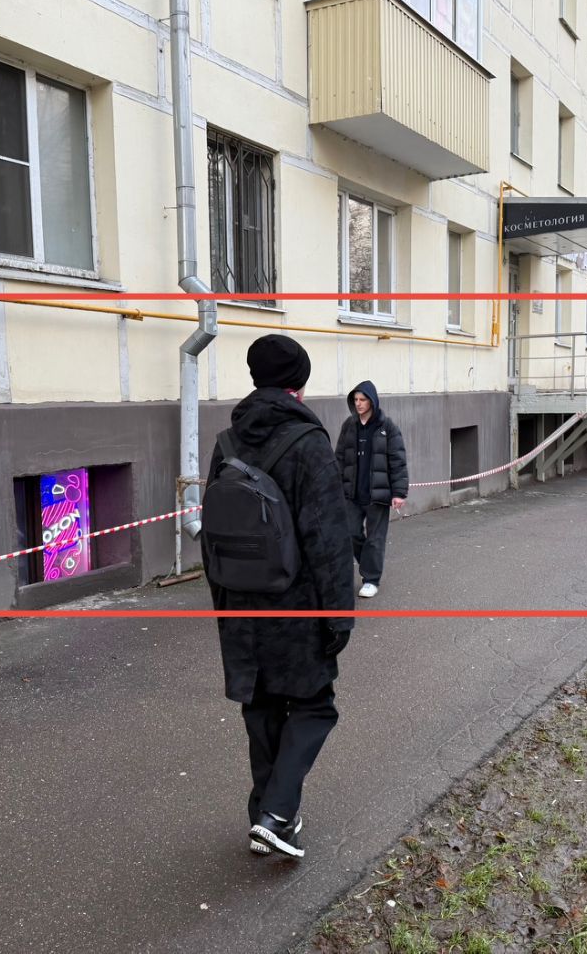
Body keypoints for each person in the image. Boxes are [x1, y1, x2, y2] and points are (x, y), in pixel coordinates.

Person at [203, 334, 356, 860]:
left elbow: (212, 535)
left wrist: (223, 606)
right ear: (299, 383)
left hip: (240, 603)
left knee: (262, 709)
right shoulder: (309, 442)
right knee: (315, 706)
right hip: (296, 605)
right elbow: (328, 538)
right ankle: (276, 812)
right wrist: (339, 616)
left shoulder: (227, 442)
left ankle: (266, 819)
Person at [334, 381, 409, 599]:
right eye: (355, 400)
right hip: (352, 494)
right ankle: (368, 565)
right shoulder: (349, 425)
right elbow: (339, 458)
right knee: (351, 533)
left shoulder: (387, 427)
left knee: (375, 539)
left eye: (363, 400)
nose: (358, 404)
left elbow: (397, 460)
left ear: (372, 401)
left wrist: (399, 493)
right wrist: (336, 487)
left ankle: (371, 580)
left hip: (378, 495)